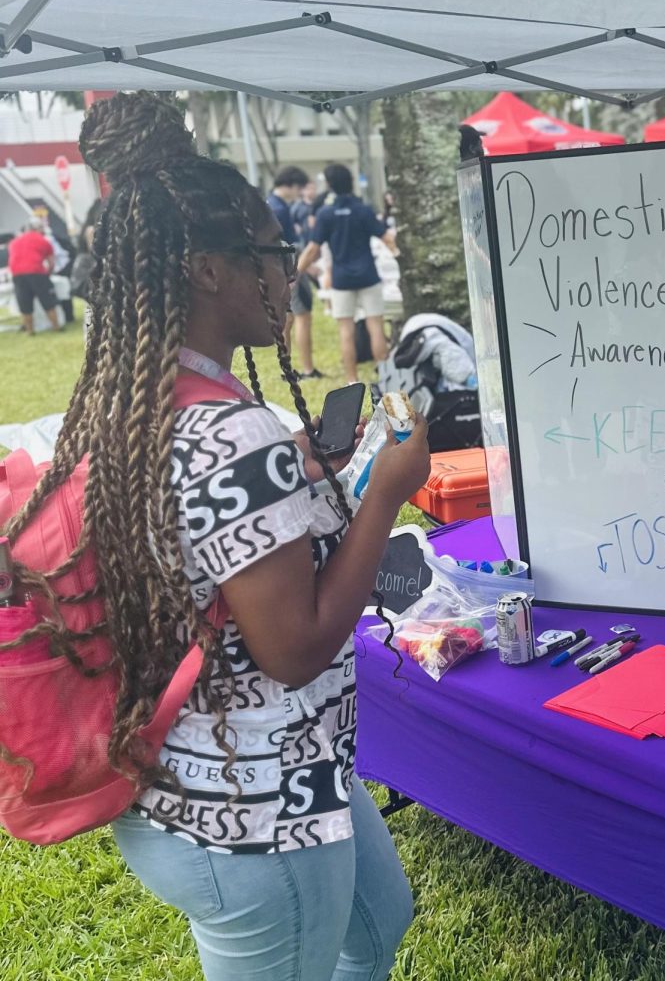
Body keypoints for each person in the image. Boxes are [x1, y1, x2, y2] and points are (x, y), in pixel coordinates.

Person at [3, 92, 429, 979]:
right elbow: (296, 647)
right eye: (271, 251)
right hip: (249, 813)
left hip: (228, 772)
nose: (288, 272)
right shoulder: (233, 435)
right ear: (206, 271)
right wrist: (386, 492)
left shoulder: (133, 407)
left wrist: (296, 478)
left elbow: (197, 538)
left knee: (378, 923)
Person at [298, 164, 390, 384]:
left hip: (341, 279)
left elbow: (312, 249)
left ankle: (352, 380)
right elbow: (386, 237)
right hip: (369, 275)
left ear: (329, 185)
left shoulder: (325, 214)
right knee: (376, 326)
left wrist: (295, 272)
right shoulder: (363, 209)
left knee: (345, 330)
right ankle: (385, 375)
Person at [268, 165, 323, 380]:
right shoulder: (279, 209)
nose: (300, 193)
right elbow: (286, 245)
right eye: (299, 188)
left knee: (289, 319)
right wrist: (305, 266)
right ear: (290, 186)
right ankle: (299, 369)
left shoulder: (271, 204)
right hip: (287, 269)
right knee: (296, 317)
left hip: (282, 268)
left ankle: (288, 368)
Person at [8, 216, 62, 333]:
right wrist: (49, 273)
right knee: (48, 301)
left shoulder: (14, 242)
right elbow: (51, 263)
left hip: (17, 274)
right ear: (39, 229)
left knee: (25, 304)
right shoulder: (43, 240)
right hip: (36, 272)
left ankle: (30, 330)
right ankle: (56, 327)